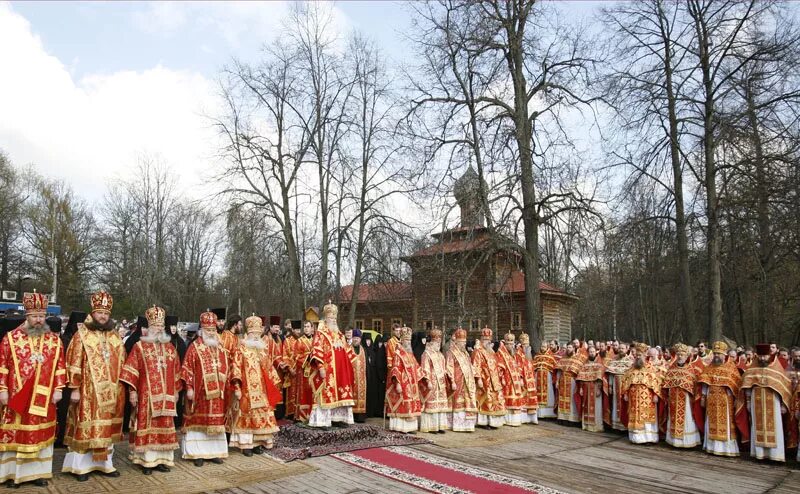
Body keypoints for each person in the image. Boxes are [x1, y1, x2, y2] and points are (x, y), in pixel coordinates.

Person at [0, 292, 66, 487]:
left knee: (39, 435)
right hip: (17, 396)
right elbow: (2, 366)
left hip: (44, 399)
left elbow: (60, 367)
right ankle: (14, 474)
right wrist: (2, 390)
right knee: (18, 434)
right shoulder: (10, 338)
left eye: (41, 316)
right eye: (34, 316)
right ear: (27, 316)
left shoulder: (54, 340)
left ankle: (37, 474)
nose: (38, 320)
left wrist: (59, 389)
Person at [62, 291, 126, 481]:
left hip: (111, 392)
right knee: (86, 427)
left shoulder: (114, 336)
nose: (103, 316)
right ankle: (80, 467)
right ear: (93, 312)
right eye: (100, 313)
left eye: (106, 313)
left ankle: (105, 464)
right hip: (88, 392)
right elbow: (73, 361)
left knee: (106, 429)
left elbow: (122, 362)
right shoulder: (81, 335)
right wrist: (74, 388)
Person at [120, 306, 183, 474]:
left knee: (164, 425)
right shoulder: (140, 347)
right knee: (147, 426)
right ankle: (146, 461)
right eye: (156, 327)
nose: (159, 330)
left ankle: (162, 460)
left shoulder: (170, 348)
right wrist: (132, 391)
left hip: (167, 395)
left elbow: (177, 371)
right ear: (149, 328)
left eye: (161, 327)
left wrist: (177, 390)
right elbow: (131, 370)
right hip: (147, 396)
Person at [180, 311, 229, 467]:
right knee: (197, 423)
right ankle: (197, 453)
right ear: (202, 330)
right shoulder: (195, 347)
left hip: (217, 395)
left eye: (213, 330)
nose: (211, 332)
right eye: (208, 330)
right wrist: (189, 388)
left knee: (215, 422)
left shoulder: (220, 348)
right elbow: (186, 369)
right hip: (199, 393)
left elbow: (226, 367)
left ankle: (214, 452)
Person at [228, 315, 281, 455]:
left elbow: (269, 368)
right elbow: (235, 368)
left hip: (262, 391)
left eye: (259, 333)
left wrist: (275, 383)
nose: (257, 336)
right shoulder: (241, 349)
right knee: (247, 416)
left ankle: (258, 443)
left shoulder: (262, 350)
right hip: (246, 390)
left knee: (261, 416)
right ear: (248, 333)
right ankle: (246, 445)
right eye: (254, 334)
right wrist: (237, 387)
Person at [741, 343, 792, 462]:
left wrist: (784, 404)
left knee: (775, 427)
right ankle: (759, 454)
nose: (763, 358)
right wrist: (748, 401)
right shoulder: (752, 368)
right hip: (756, 400)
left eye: (765, 356)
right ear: (757, 356)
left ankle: (775, 455)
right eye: (760, 356)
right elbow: (747, 386)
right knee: (757, 426)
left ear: (770, 355)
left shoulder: (776, 368)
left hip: (773, 401)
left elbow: (784, 387)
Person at [308, 302, 356, 429]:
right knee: (326, 394)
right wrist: (321, 368)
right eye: (331, 318)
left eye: (335, 318)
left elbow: (347, 352)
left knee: (340, 394)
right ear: (326, 318)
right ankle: (322, 421)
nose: (333, 320)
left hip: (340, 372)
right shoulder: (321, 333)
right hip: (327, 371)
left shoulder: (340, 334)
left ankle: (338, 418)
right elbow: (316, 350)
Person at [697, 341, 747, 457]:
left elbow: (736, 386)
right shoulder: (709, 367)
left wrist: (735, 399)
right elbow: (705, 384)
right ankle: (711, 446)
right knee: (711, 422)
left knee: (726, 424)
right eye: (715, 354)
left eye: (719, 354)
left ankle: (727, 449)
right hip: (712, 399)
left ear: (724, 354)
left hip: (726, 401)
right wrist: (703, 397)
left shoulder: (731, 368)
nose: (716, 356)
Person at [661, 343, 703, 449]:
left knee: (687, 419)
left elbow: (695, 386)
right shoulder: (671, 369)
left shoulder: (691, 370)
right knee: (673, 418)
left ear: (686, 356)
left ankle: (687, 442)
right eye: (678, 354)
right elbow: (665, 384)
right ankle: (674, 441)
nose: (680, 356)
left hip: (687, 401)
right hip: (673, 399)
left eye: (682, 355)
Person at [620, 343, 662, 444]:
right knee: (635, 417)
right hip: (633, 398)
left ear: (645, 356)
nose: (638, 357)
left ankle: (649, 438)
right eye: (637, 355)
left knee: (647, 418)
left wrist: (656, 395)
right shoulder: (632, 368)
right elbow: (625, 380)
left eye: (640, 355)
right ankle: (636, 438)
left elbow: (656, 382)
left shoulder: (650, 368)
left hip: (647, 399)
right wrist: (625, 393)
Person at [471, 327, 506, 429]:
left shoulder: (491, 351)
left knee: (495, 400)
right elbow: (475, 366)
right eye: (485, 340)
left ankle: (493, 421)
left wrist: (500, 375)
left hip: (494, 380)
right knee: (486, 401)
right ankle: (484, 422)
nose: (487, 342)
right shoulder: (477, 351)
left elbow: (497, 364)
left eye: (489, 340)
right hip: (484, 379)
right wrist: (479, 379)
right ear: (481, 339)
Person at [418, 329, 450, 433]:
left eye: (439, 342)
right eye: (437, 342)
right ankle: (431, 427)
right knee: (431, 406)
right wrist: (428, 381)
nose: (438, 344)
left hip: (441, 383)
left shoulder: (440, 354)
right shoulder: (426, 354)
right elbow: (425, 368)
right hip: (432, 382)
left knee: (440, 405)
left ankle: (440, 426)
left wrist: (447, 375)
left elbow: (443, 367)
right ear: (432, 342)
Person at [446, 328, 477, 432]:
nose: (464, 344)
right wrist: (452, 381)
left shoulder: (466, 353)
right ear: (457, 342)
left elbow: (470, 366)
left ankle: (468, 425)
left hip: (468, 382)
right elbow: (449, 367)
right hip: (458, 381)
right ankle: (458, 425)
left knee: (468, 403)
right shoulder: (451, 352)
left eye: (464, 342)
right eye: (461, 342)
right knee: (458, 404)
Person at [496, 332, 525, 427]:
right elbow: (499, 367)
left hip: (516, 380)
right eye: (508, 344)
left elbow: (519, 366)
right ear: (504, 343)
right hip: (507, 380)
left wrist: (520, 378)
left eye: (512, 344)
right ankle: (507, 419)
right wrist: (502, 377)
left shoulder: (515, 354)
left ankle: (515, 420)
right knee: (508, 399)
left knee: (516, 398)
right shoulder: (500, 353)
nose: (510, 346)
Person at [576, 345, 607, 432]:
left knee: (596, 408)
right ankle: (586, 425)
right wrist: (581, 388)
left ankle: (597, 426)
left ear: (596, 352)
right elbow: (581, 377)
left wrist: (599, 389)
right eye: (590, 352)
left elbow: (601, 378)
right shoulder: (585, 364)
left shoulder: (600, 363)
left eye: (593, 352)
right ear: (588, 353)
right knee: (586, 406)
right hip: (586, 388)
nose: (592, 353)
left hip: (595, 387)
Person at [262, 315, 287, 420]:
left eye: (278, 327)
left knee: (278, 390)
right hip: (270, 370)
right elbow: (268, 356)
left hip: (278, 370)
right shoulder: (267, 338)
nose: (277, 329)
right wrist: (278, 362)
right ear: (271, 327)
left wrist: (283, 363)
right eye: (275, 327)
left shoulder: (278, 339)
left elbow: (279, 354)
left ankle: (278, 414)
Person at [605, 342, 632, 431]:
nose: (621, 350)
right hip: (616, 385)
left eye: (622, 348)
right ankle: (616, 426)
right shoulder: (614, 360)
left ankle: (625, 426)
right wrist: (610, 386)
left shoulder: (630, 360)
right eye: (619, 348)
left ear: (626, 349)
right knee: (616, 404)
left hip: (625, 387)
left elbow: (632, 377)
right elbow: (611, 375)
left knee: (626, 405)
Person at [555, 343, 583, 425]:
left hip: (572, 381)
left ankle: (571, 419)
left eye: (570, 347)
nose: (568, 349)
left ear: (574, 348)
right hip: (563, 380)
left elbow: (580, 373)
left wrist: (579, 385)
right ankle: (562, 418)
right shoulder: (563, 358)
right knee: (562, 399)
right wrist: (557, 381)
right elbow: (559, 371)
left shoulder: (578, 359)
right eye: (567, 347)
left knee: (571, 400)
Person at [293, 321, 315, 423]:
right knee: (302, 392)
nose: (306, 328)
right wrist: (307, 358)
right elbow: (296, 356)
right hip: (303, 371)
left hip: (314, 370)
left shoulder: (316, 340)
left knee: (312, 392)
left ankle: (312, 415)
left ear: (312, 328)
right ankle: (301, 416)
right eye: (305, 326)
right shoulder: (300, 341)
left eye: (308, 326)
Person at [516, 334, 538, 424]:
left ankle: (532, 417)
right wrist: (520, 378)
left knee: (532, 397)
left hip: (530, 379)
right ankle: (524, 418)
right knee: (524, 398)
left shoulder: (529, 352)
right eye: (524, 345)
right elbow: (518, 366)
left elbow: (531, 365)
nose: (526, 346)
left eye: (527, 344)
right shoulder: (518, 353)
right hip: (524, 379)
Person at [532, 341, 558, 419]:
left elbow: (554, 367)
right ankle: (539, 414)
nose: (543, 348)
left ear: (547, 347)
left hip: (547, 378)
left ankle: (548, 413)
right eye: (542, 346)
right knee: (538, 393)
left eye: (544, 347)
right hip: (538, 377)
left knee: (548, 393)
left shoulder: (550, 356)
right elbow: (534, 366)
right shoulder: (537, 356)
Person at [283, 320, 302, 420]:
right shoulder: (287, 340)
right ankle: (290, 413)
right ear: (293, 329)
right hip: (292, 371)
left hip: (301, 370)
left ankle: (299, 412)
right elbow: (285, 356)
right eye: (296, 330)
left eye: (299, 329)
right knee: (291, 392)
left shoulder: (302, 340)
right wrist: (290, 369)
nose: (298, 331)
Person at [350, 329, 368, 423]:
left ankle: (360, 417)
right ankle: (352, 417)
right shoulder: (348, 349)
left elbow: (368, 366)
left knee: (361, 397)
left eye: (357, 338)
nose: (356, 340)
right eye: (354, 338)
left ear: (360, 339)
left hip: (362, 380)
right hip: (351, 380)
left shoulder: (363, 350)